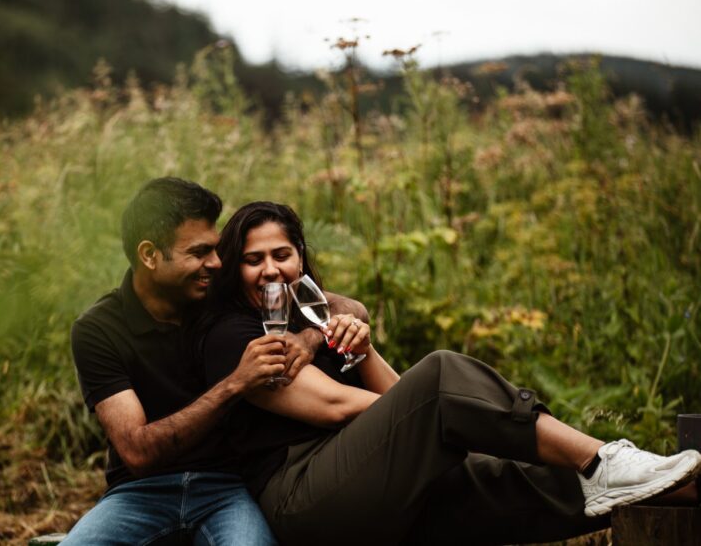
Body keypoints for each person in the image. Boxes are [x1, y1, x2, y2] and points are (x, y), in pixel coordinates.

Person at [195, 201, 701, 546]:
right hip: (301, 495)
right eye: (252, 260)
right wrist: (440, 419)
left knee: (516, 477)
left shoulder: (312, 315)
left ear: (300, 256)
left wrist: (364, 348)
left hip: (365, 473)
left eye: (281, 255)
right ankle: (602, 461)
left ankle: (675, 484)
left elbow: (395, 393)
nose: (270, 270)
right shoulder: (230, 335)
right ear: (234, 269)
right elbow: (336, 404)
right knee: (440, 375)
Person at [63, 178, 365, 545]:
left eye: (216, 249)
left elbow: (345, 306)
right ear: (149, 255)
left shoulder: (219, 293)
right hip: (139, 493)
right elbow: (138, 453)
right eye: (199, 252)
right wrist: (235, 383)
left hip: (229, 488)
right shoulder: (98, 329)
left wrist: (309, 338)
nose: (218, 262)